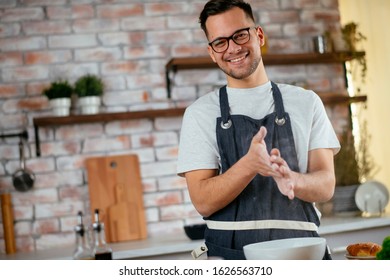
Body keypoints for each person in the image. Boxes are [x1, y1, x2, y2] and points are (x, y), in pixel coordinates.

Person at [177, 0, 340, 260]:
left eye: (240, 35)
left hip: (302, 258)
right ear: (212, 52)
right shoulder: (200, 114)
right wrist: (250, 165)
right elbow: (203, 201)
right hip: (231, 261)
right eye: (220, 42)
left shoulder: (306, 102)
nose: (233, 48)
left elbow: (326, 184)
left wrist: (292, 179)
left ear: (259, 35)